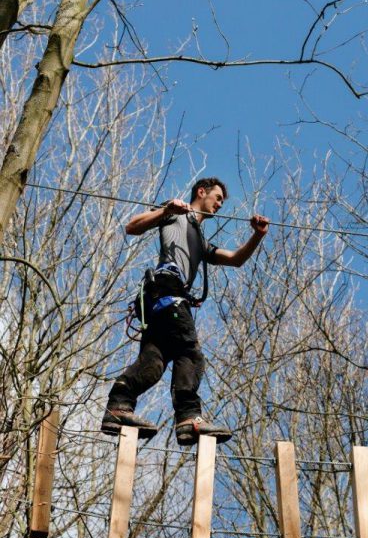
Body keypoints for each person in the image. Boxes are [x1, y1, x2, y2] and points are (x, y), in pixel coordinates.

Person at [101, 177, 269, 445]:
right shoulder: (175, 214)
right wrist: (167, 210)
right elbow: (132, 227)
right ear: (201, 192)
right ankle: (189, 417)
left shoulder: (200, 241)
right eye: (217, 198)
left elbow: (236, 260)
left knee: (153, 364)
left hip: (161, 302)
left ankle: (118, 407)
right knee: (190, 353)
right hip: (168, 289)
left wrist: (257, 236)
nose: (219, 205)